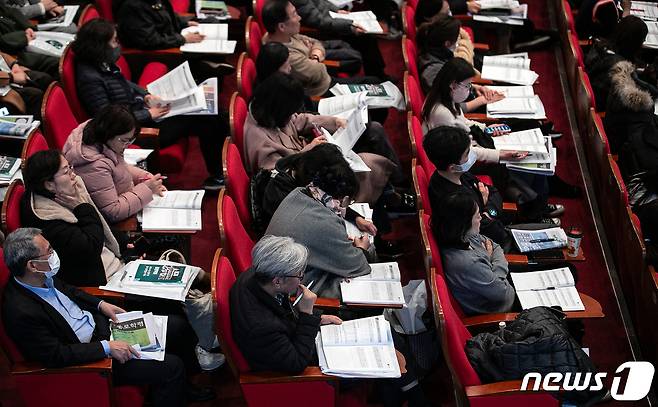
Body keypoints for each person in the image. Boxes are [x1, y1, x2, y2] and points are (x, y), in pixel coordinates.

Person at [1, 228, 216, 406]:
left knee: (178, 326)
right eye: (49, 250)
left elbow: (70, 290)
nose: (54, 253)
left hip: (104, 326)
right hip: (93, 356)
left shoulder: (41, 276)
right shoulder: (21, 312)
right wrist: (106, 347)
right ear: (32, 265)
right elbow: (57, 355)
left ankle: (185, 389)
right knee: (172, 367)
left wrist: (102, 304)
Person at [230, 235, 429, 406]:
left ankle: (405, 392)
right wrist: (308, 315)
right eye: (298, 274)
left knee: (384, 332)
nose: (301, 278)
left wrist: (316, 319)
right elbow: (297, 363)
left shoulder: (254, 276)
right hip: (306, 373)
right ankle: (412, 395)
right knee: (389, 354)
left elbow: (284, 315)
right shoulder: (261, 326)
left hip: (295, 341)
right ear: (278, 280)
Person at [72, 19, 226, 191]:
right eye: (114, 41)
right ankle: (219, 176)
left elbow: (123, 83)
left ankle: (225, 165)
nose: (117, 45)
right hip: (133, 130)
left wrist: (144, 94)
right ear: (99, 45)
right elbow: (106, 120)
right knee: (208, 120)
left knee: (212, 111)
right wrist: (148, 115)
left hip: (140, 112)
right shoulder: (89, 79)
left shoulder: (100, 63)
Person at [422, 58, 564, 222]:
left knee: (528, 151)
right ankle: (533, 212)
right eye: (468, 86)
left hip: (470, 149)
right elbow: (465, 149)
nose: (470, 90)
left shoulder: (447, 99)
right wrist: (500, 154)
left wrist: (486, 129)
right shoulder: (441, 112)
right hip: (465, 160)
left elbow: (465, 123)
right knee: (525, 164)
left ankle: (534, 203)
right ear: (453, 85)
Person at [244, 72, 411, 211]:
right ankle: (385, 206)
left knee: (372, 133)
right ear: (279, 108)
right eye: (289, 111)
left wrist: (333, 121)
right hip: (304, 179)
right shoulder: (259, 139)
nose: (291, 115)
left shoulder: (274, 110)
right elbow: (277, 174)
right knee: (366, 165)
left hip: (315, 154)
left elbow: (300, 119)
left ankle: (393, 191)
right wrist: (307, 151)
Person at [264, 159, 374, 298]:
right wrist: (362, 249)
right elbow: (359, 266)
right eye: (349, 202)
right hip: (289, 292)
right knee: (365, 275)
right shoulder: (324, 221)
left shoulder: (299, 192)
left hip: (275, 277)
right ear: (344, 199)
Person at [20, 150, 125, 286]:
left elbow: (100, 224)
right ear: (49, 184)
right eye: (66, 172)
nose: (73, 175)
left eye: (70, 167)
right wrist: (81, 207)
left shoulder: (69, 192)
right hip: (105, 281)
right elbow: (92, 247)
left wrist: (125, 243)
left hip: (116, 262)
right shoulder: (48, 219)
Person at [62, 105, 167, 224]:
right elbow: (113, 211)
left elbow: (118, 166)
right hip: (112, 224)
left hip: (124, 197)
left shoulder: (100, 138)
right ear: (108, 134)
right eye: (124, 140)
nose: (127, 145)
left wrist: (145, 177)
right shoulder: (92, 165)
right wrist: (147, 189)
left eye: (130, 140)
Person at [261, 0, 383, 97]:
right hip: (323, 89)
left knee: (374, 80)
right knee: (377, 84)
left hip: (325, 79)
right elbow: (318, 70)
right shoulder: (284, 54)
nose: (299, 18)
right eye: (294, 14)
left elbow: (316, 42)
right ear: (282, 26)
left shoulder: (284, 34)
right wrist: (315, 55)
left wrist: (312, 55)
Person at [433, 191, 516, 315]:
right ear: (464, 223)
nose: (481, 218)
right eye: (477, 216)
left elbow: (496, 247)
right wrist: (490, 258)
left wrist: (491, 263)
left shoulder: (464, 235)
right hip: (502, 311)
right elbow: (502, 293)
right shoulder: (467, 263)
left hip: (501, 282)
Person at [288, 0, 388, 78]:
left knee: (365, 33)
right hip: (321, 29)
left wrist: (336, 10)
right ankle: (376, 74)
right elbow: (318, 20)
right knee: (364, 37)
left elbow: (321, 2)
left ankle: (377, 72)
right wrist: (349, 25)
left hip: (330, 19)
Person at [585, 15, 648, 110]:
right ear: (634, 43)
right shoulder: (620, 69)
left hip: (595, 93)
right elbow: (633, 101)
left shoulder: (601, 46)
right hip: (604, 107)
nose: (643, 42)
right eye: (642, 39)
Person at [416, 14, 476, 93]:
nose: (458, 42)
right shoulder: (433, 70)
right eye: (457, 39)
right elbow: (447, 100)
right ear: (447, 43)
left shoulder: (436, 52)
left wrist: (474, 87)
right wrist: (480, 100)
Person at [0, 3, 59, 77]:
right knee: (54, 63)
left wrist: (27, 27)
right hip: (12, 53)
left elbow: (12, 11)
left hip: (22, 38)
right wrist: (24, 36)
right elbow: (2, 43)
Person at [4, 0, 77, 33]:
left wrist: (49, 6)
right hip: (19, 27)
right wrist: (41, 7)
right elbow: (8, 14)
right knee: (72, 29)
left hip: (37, 13)